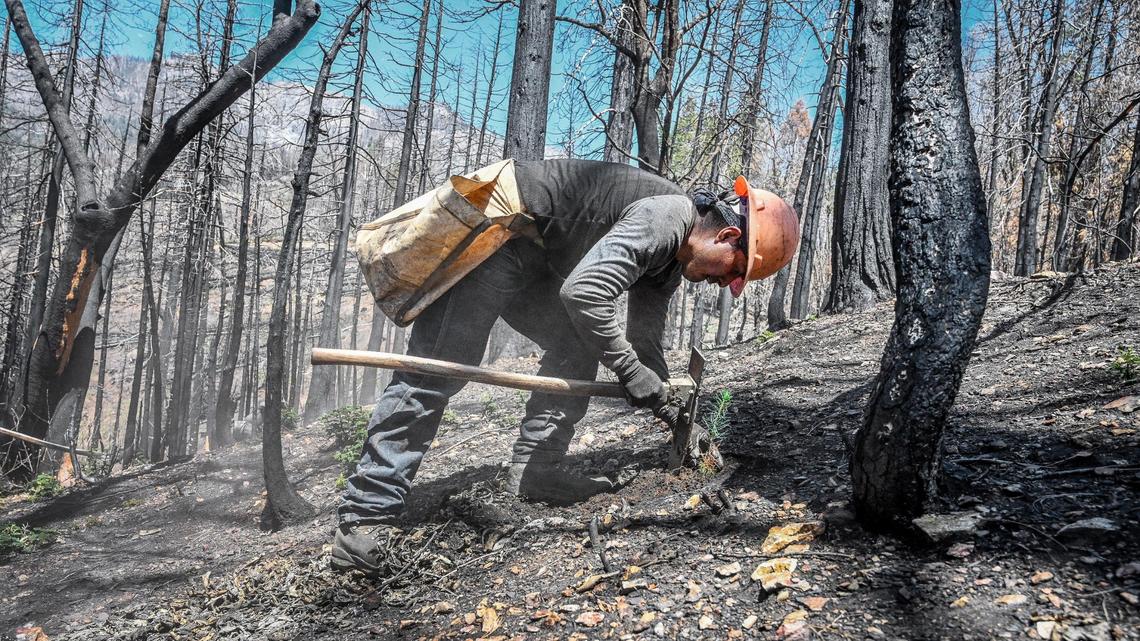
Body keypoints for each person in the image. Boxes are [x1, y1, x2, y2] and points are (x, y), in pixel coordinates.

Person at [332, 159, 797, 576]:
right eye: (734, 271)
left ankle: (537, 469)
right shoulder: (667, 218)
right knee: (438, 370)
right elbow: (584, 293)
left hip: (535, 256)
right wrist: (632, 373)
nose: (725, 283)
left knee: (578, 343)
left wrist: (671, 407)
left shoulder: (670, 261)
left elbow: (644, 342)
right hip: (501, 235)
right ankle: (363, 517)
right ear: (726, 235)